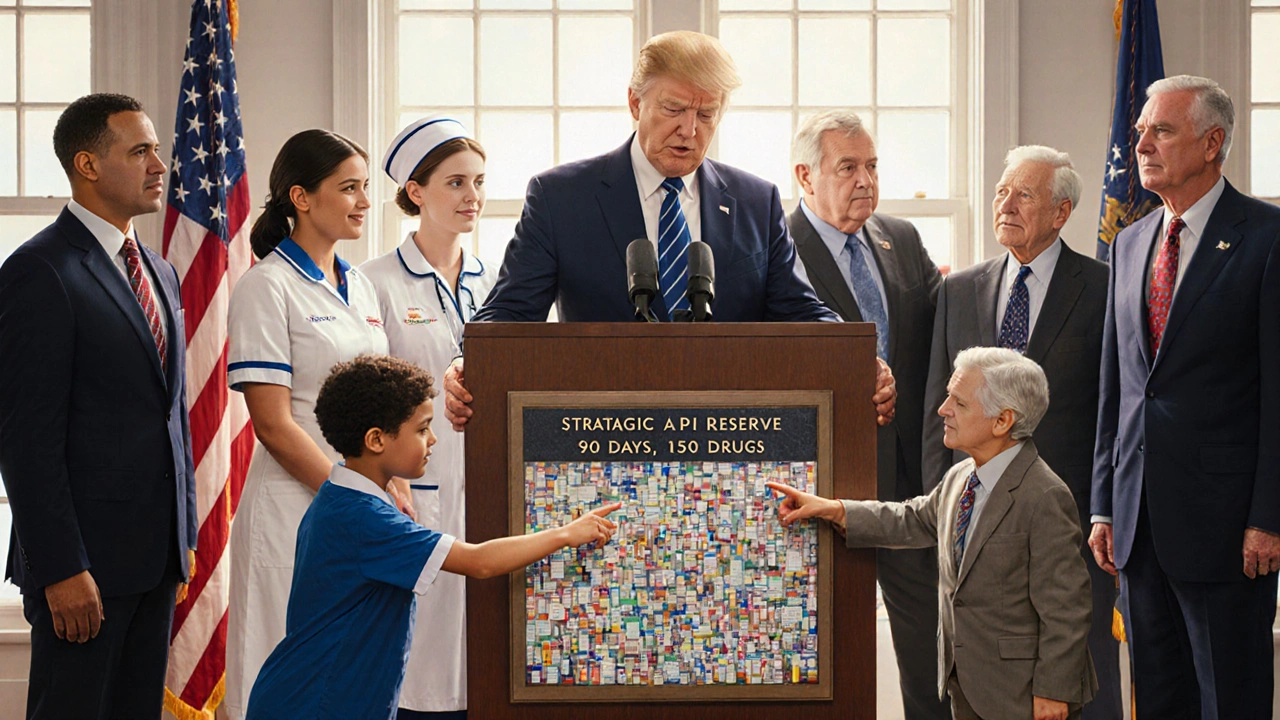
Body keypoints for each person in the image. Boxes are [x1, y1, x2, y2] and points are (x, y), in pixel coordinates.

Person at [444, 30, 896, 431]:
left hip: (731, 443)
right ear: (635, 103)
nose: (689, 130)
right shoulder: (561, 197)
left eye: (706, 115)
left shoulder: (756, 201)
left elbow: (801, 314)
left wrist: (856, 360)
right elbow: (508, 315)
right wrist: (469, 363)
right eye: (674, 109)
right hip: (600, 438)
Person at [245, 354, 618, 718]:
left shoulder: (339, 495)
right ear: (376, 440)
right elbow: (480, 561)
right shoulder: (365, 518)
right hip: (316, 703)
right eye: (422, 429)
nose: (434, 439)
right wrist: (567, 533)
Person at [0, 93, 197, 719]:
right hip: (81, 568)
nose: (159, 166)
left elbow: (170, 416)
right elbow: (26, 440)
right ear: (87, 164)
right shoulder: (39, 271)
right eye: (139, 151)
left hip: (155, 558)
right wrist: (59, 567)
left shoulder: (160, 273)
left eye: (158, 150)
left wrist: (183, 530)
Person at [1090, 75, 1280, 720]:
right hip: (1138, 524)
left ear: (1212, 143)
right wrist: (1103, 505)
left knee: (1229, 698)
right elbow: (1116, 391)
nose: (1140, 142)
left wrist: (1269, 515)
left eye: (1162, 130)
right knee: (1159, 695)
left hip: (1229, 530)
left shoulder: (1268, 237)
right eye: (1142, 129)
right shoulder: (1130, 242)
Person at [770, 348, 1096, 720]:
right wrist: (834, 509)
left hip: (1023, 697)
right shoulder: (960, 477)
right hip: (967, 688)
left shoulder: (1045, 497)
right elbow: (911, 519)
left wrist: (1053, 692)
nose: (942, 410)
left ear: (1003, 420)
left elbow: (1067, 610)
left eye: (959, 402)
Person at [923, 146, 1119, 720]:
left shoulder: (1105, 288)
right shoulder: (958, 289)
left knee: (1080, 685)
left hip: (1070, 527)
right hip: (975, 533)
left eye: (1024, 195)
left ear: (1061, 212)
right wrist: (940, 512)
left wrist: (1107, 511)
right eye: (1001, 192)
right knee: (983, 688)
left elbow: (1116, 411)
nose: (1005, 204)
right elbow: (940, 408)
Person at [224, 129, 393, 719]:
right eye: (349, 188)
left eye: (365, 187)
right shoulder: (265, 287)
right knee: (280, 675)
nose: (364, 202)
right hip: (294, 511)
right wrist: (356, 497)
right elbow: (272, 425)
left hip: (356, 504)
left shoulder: (362, 285)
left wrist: (386, 486)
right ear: (300, 196)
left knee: (346, 674)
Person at [787, 110, 948, 720]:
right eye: (848, 167)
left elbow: (935, 335)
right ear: (805, 175)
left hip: (906, 483)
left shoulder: (899, 237)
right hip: (817, 480)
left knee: (929, 642)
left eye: (872, 166)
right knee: (822, 651)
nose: (866, 181)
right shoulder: (772, 246)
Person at [361, 115, 498, 719]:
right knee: (420, 661)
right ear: (415, 192)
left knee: (486, 653)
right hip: (414, 490)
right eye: (455, 183)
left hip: (490, 485)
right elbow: (369, 395)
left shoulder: (497, 281)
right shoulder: (374, 282)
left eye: (479, 182)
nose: (473, 197)